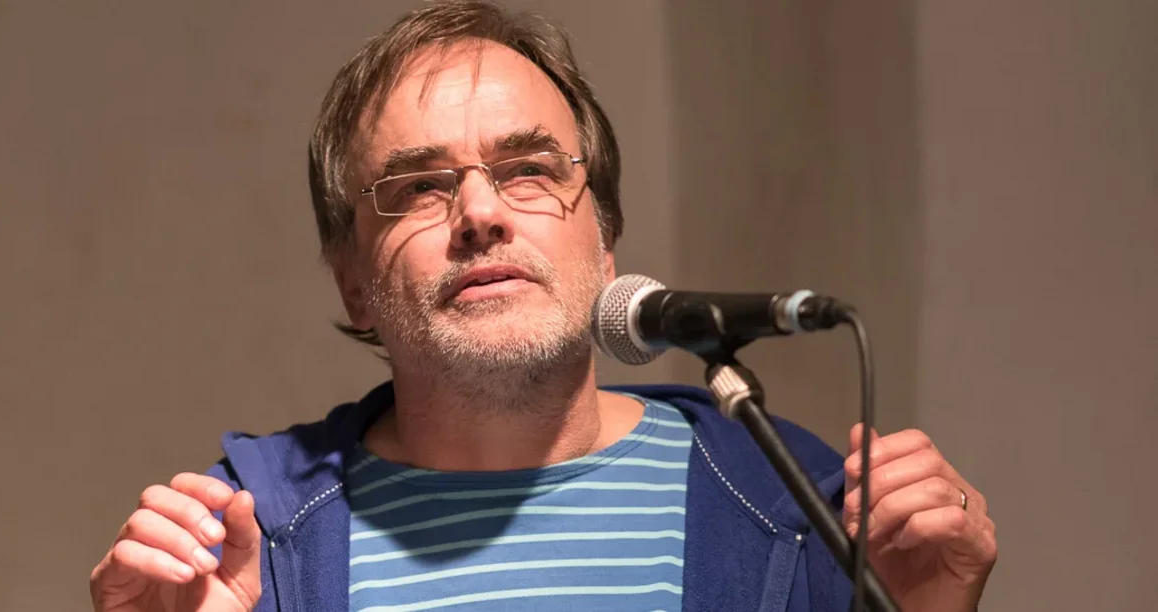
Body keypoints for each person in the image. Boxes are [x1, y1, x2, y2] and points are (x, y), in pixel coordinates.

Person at [89, 2, 998, 610]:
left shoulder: (793, 502)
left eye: (529, 170)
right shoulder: (242, 540)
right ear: (352, 280)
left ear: (604, 241)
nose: (481, 213)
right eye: (417, 186)